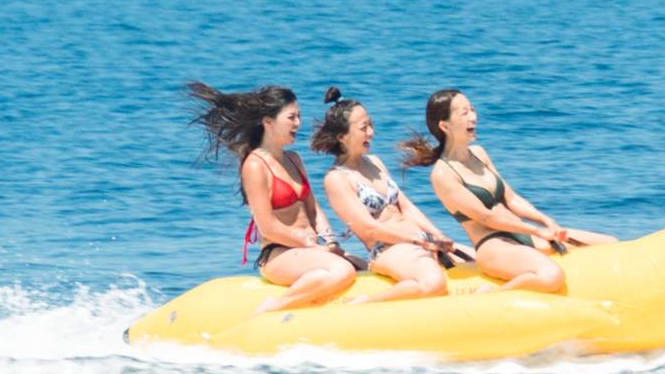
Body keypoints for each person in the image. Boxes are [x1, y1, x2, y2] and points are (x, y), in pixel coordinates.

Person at [400, 89, 615, 294]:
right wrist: (537, 231)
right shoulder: (443, 174)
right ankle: (494, 294)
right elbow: (487, 217)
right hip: (494, 247)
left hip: (522, 234)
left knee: (609, 244)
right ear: (445, 125)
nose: (473, 117)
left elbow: (511, 198)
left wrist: (545, 221)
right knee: (552, 275)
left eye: (472, 109)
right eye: (464, 113)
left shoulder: (479, 153)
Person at [189, 82, 355, 313]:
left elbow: (314, 209)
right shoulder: (255, 165)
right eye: (292, 117)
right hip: (279, 254)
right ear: (268, 122)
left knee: (364, 266)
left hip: (309, 250)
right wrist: (310, 244)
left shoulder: (294, 159)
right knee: (342, 271)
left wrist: (331, 243)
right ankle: (271, 308)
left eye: (299, 116)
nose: (298, 123)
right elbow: (267, 227)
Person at [313, 87, 461, 304]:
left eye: (371, 124)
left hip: (420, 240)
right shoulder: (337, 179)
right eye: (364, 128)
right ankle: (364, 303)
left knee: (480, 261)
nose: (371, 132)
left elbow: (407, 207)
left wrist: (436, 234)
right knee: (434, 283)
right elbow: (369, 229)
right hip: (389, 249)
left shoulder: (375, 162)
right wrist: (416, 241)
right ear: (342, 136)